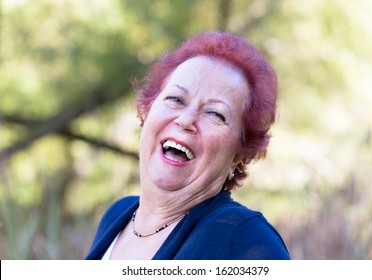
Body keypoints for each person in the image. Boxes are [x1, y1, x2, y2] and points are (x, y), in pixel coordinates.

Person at [85, 31, 290, 260]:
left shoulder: (247, 240)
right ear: (147, 111)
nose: (185, 120)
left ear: (239, 155)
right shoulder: (117, 215)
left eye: (215, 114)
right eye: (175, 99)